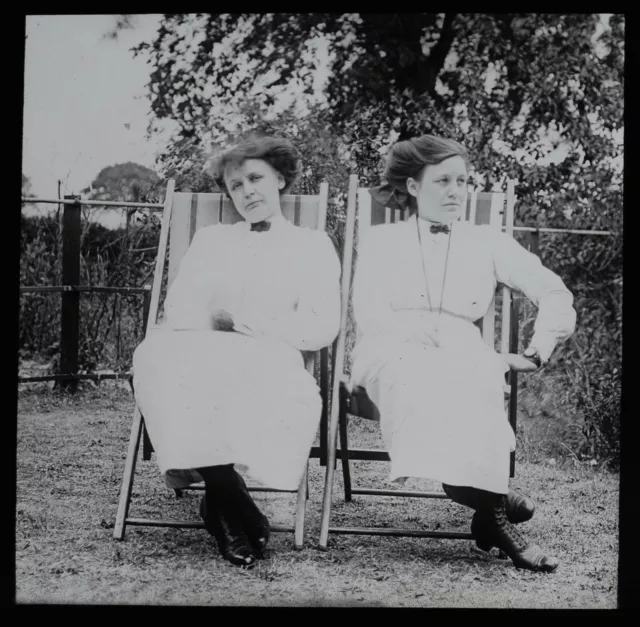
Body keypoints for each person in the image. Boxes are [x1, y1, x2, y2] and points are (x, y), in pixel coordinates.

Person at [350, 134, 576, 573]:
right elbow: (370, 313)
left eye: (462, 181)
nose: (456, 191)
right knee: (438, 376)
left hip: (461, 350)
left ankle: (487, 511)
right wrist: (422, 337)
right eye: (443, 181)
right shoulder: (382, 242)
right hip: (392, 347)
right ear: (413, 187)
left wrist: (539, 346)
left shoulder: (485, 240)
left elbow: (551, 289)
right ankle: (494, 509)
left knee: (478, 375)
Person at [132, 136, 341, 568]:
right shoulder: (211, 239)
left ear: (280, 179)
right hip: (201, 343)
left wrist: (251, 326)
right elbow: (181, 305)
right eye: (235, 185)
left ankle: (221, 505)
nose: (246, 191)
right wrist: (213, 321)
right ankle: (228, 496)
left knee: (236, 378)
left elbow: (322, 323)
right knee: (155, 357)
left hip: (270, 350)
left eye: (255, 179)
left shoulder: (312, 244)